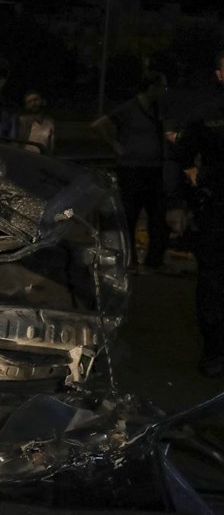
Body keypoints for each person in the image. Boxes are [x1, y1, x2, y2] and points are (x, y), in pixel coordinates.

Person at [171, 51, 224, 378]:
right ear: (219, 75)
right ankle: (216, 352)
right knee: (213, 283)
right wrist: (176, 203)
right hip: (217, 211)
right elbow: (178, 160)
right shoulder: (206, 115)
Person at [92, 70, 170, 272]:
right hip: (133, 168)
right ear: (151, 87)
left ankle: (154, 259)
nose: (164, 91)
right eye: (162, 86)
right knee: (130, 214)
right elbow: (100, 125)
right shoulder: (129, 108)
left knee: (157, 215)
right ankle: (129, 259)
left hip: (153, 168)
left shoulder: (155, 108)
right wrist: (116, 145)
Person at [18, 90, 55, 154]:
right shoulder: (22, 121)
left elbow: (51, 144)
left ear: (43, 101)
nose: (33, 103)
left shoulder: (49, 122)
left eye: (35, 100)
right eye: (29, 102)